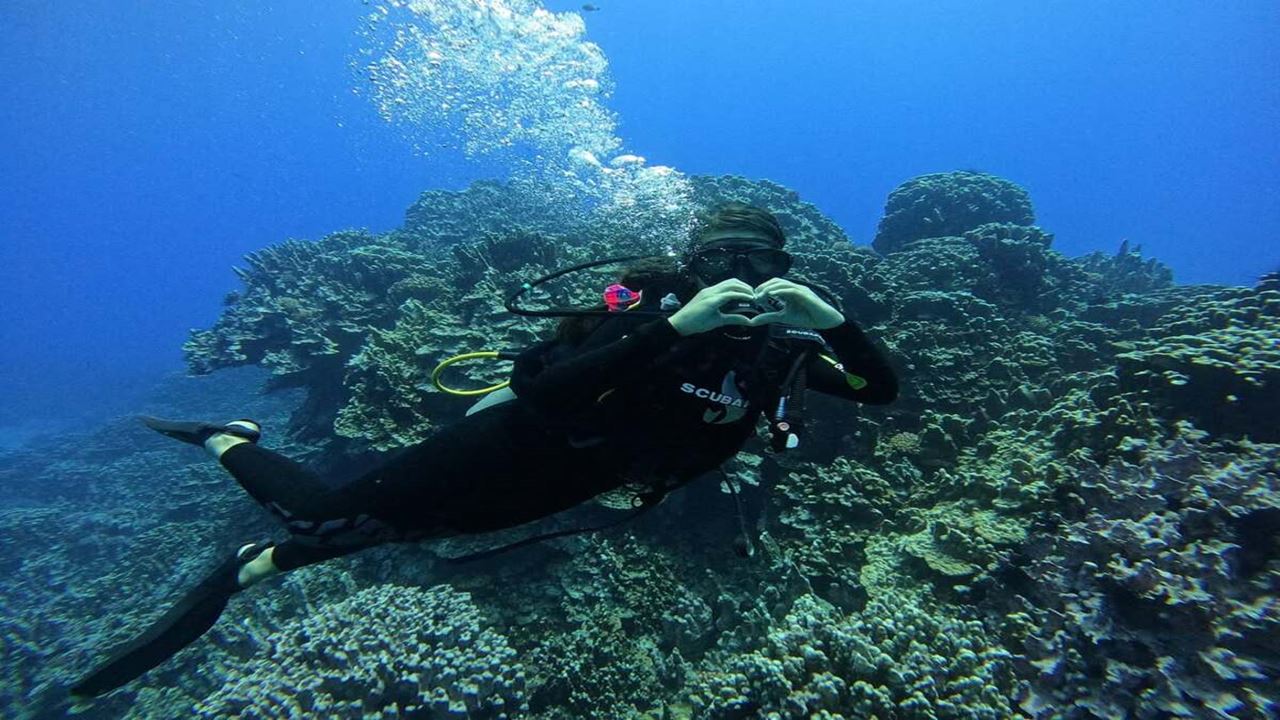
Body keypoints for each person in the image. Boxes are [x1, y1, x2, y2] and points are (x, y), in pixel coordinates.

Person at [70, 203, 897, 698]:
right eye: (726, 260)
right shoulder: (649, 306)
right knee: (326, 517)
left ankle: (267, 560)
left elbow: (878, 390)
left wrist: (834, 322)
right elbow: (547, 389)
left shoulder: (779, 349)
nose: (745, 277)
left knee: (402, 531)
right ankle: (231, 440)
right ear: (696, 264)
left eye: (764, 263)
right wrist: (676, 324)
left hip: (582, 479)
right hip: (513, 441)